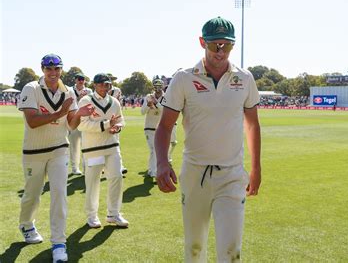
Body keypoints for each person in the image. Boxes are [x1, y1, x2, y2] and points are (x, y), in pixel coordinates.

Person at [155, 17, 262, 262]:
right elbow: (164, 126)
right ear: (203, 42)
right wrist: (162, 162)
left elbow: (252, 124)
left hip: (232, 175)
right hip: (195, 174)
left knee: (231, 251)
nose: (221, 51)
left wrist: (255, 168)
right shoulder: (183, 78)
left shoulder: (245, 78)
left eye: (227, 45)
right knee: (194, 249)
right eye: (215, 45)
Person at [18, 54, 93, 262]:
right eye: (49, 69)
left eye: (57, 69)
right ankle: (26, 223)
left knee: (59, 194)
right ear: (42, 69)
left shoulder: (68, 91)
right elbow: (32, 121)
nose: (53, 73)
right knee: (32, 195)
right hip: (34, 152)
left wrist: (79, 114)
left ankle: (59, 243)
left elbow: (71, 125)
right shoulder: (31, 88)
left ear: (61, 70)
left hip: (59, 149)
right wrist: (61, 112)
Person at [78, 73, 129, 228]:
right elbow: (82, 125)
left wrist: (117, 127)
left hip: (112, 147)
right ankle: (92, 216)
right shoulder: (86, 101)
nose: (105, 87)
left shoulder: (114, 102)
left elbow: (121, 120)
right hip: (93, 149)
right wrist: (107, 124)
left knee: (116, 178)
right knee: (93, 183)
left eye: (107, 84)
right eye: (102, 84)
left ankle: (114, 213)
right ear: (95, 85)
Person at [68, 72, 93, 175]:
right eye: (79, 79)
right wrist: (79, 98)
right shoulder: (70, 90)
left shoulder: (89, 91)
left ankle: (86, 168)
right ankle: (75, 168)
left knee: (86, 145)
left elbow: (92, 105)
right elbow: (69, 105)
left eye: (83, 79)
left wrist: (85, 98)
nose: (81, 81)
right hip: (74, 121)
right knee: (74, 146)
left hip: (86, 122)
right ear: (75, 80)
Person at [141, 76, 165, 177]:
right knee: (154, 150)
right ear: (153, 87)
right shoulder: (148, 97)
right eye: (156, 86)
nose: (158, 88)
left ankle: (151, 170)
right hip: (149, 128)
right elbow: (142, 112)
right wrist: (148, 104)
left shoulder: (166, 97)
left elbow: (164, 110)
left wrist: (156, 103)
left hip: (161, 128)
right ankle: (154, 172)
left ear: (162, 87)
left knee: (154, 151)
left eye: (160, 86)